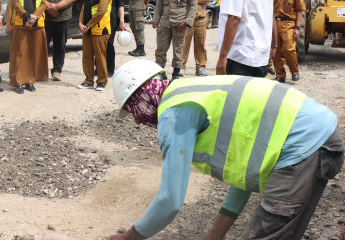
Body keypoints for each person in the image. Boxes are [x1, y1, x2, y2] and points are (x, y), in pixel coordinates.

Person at [109, 60, 344, 240]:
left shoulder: (174, 112)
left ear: (144, 95)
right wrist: (216, 234)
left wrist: (131, 237)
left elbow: (170, 200)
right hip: (319, 139)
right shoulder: (190, 90)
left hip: (306, 147)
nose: (138, 121)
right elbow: (245, 172)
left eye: (134, 110)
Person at [5, 0, 49, 93]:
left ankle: (30, 80)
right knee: (18, 53)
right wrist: (26, 16)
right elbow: (14, 2)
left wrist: (34, 18)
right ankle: (17, 81)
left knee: (33, 53)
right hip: (20, 22)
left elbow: (44, 3)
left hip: (37, 24)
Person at [152, 0, 197, 80]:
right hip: (165, 23)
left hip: (179, 24)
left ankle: (176, 75)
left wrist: (187, 22)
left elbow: (193, 6)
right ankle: (160, 73)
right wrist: (156, 19)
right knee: (160, 49)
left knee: (178, 50)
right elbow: (159, 4)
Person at [42, 0, 78, 81]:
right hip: (46, 18)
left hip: (63, 18)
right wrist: (50, 9)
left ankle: (57, 70)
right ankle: (41, 70)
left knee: (60, 45)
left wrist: (57, 7)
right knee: (42, 45)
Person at [77, 0, 113, 91]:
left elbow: (101, 12)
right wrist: (80, 22)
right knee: (87, 57)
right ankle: (88, 81)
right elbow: (83, 9)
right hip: (88, 30)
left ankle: (102, 82)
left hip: (99, 30)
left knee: (100, 56)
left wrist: (88, 25)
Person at [273, 0, 306, 83]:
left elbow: (299, 11)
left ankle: (294, 71)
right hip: (275, 23)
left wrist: (297, 28)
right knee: (276, 50)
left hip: (288, 24)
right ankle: (280, 74)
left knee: (289, 49)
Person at [181, 0, 212, 76]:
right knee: (184, 44)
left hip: (200, 19)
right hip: (187, 20)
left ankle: (200, 67)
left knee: (200, 44)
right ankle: (181, 66)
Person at [102, 0, 125, 76]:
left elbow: (120, 5)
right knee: (99, 45)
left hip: (111, 21)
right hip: (99, 21)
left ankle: (110, 69)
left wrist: (122, 20)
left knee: (109, 44)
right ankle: (99, 68)